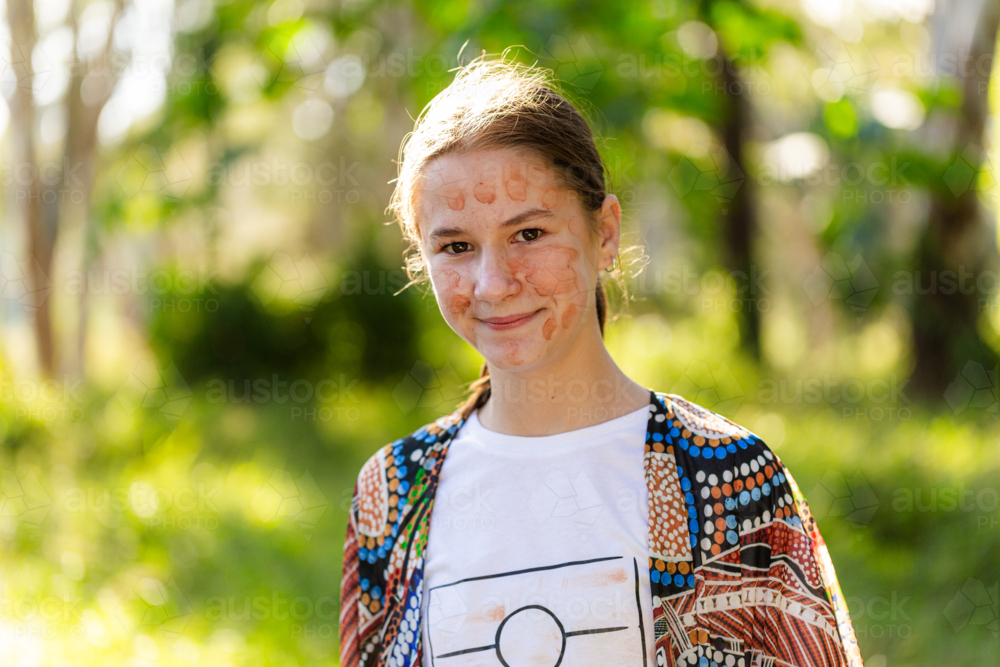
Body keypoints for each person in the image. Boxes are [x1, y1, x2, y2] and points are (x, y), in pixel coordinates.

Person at [339, 53, 864, 667]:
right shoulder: (393, 494)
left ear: (605, 232)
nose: (493, 283)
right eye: (456, 246)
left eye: (529, 234)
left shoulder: (729, 479)